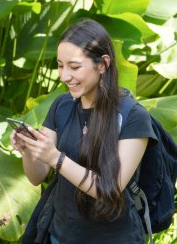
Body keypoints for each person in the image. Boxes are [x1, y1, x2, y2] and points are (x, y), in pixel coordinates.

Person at [10, 19, 157, 244]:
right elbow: (36, 176)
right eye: (60, 65)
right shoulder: (62, 105)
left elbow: (109, 189)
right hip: (59, 234)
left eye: (74, 67)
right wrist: (29, 151)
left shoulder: (133, 117)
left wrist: (55, 158)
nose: (64, 76)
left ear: (102, 64)